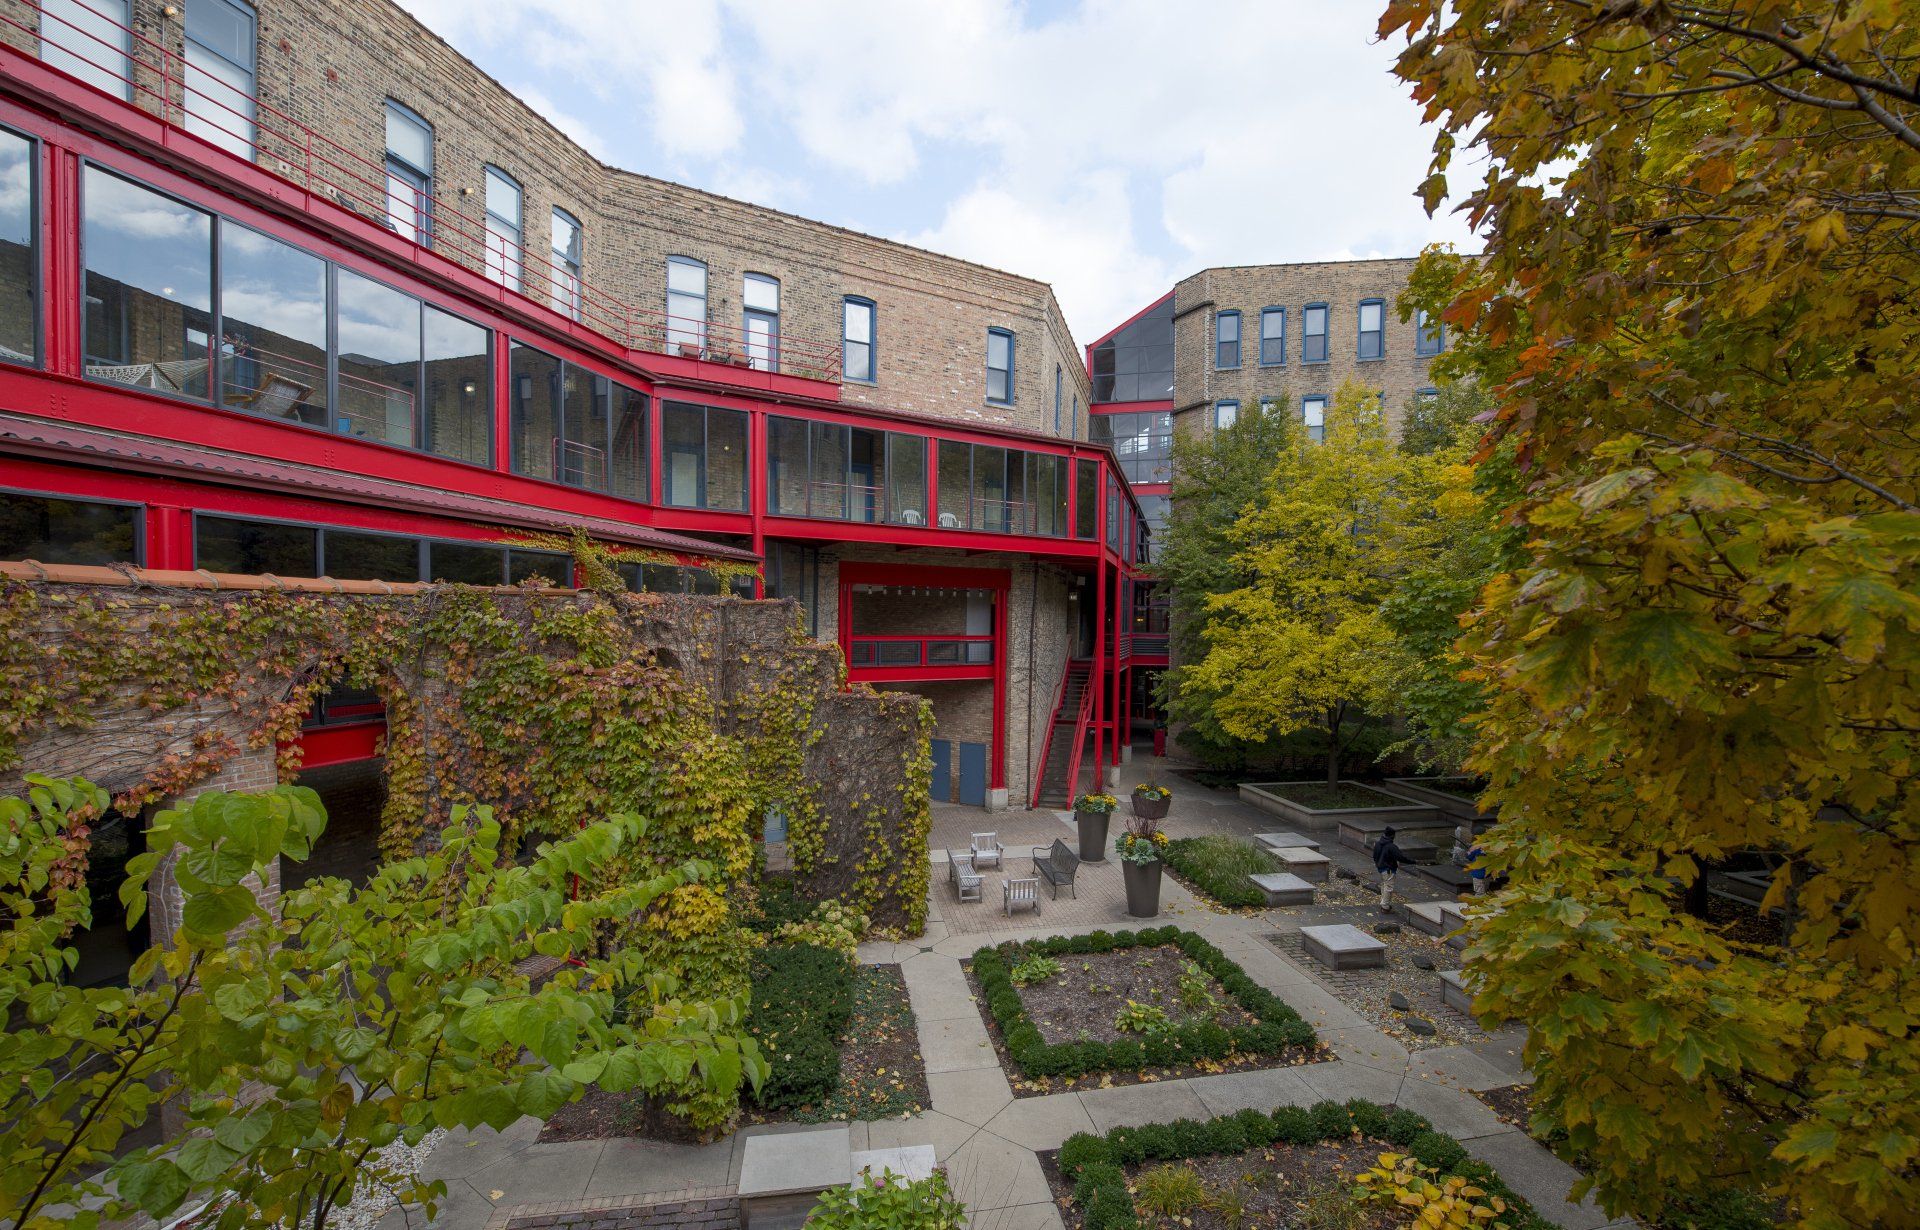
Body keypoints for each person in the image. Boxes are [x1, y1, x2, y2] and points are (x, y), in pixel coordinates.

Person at [1372, 826, 1406, 913]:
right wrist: (1413, 861)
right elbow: (1401, 857)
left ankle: (1384, 902)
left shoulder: (1378, 844)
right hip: (1389, 869)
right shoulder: (1391, 846)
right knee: (1388, 887)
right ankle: (1385, 906)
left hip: (1381, 868)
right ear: (1392, 836)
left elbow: (1375, 856)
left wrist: (1378, 864)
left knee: (1384, 885)